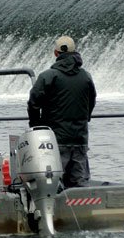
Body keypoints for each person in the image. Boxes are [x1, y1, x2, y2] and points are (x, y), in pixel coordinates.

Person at [27, 35, 97, 188]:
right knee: (80, 185)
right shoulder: (86, 77)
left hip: (55, 140)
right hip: (80, 139)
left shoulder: (48, 77)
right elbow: (91, 102)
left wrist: (36, 127)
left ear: (56, 53)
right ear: (75, 52)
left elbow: (33, 103)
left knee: (54, 184)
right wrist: (85, 119)